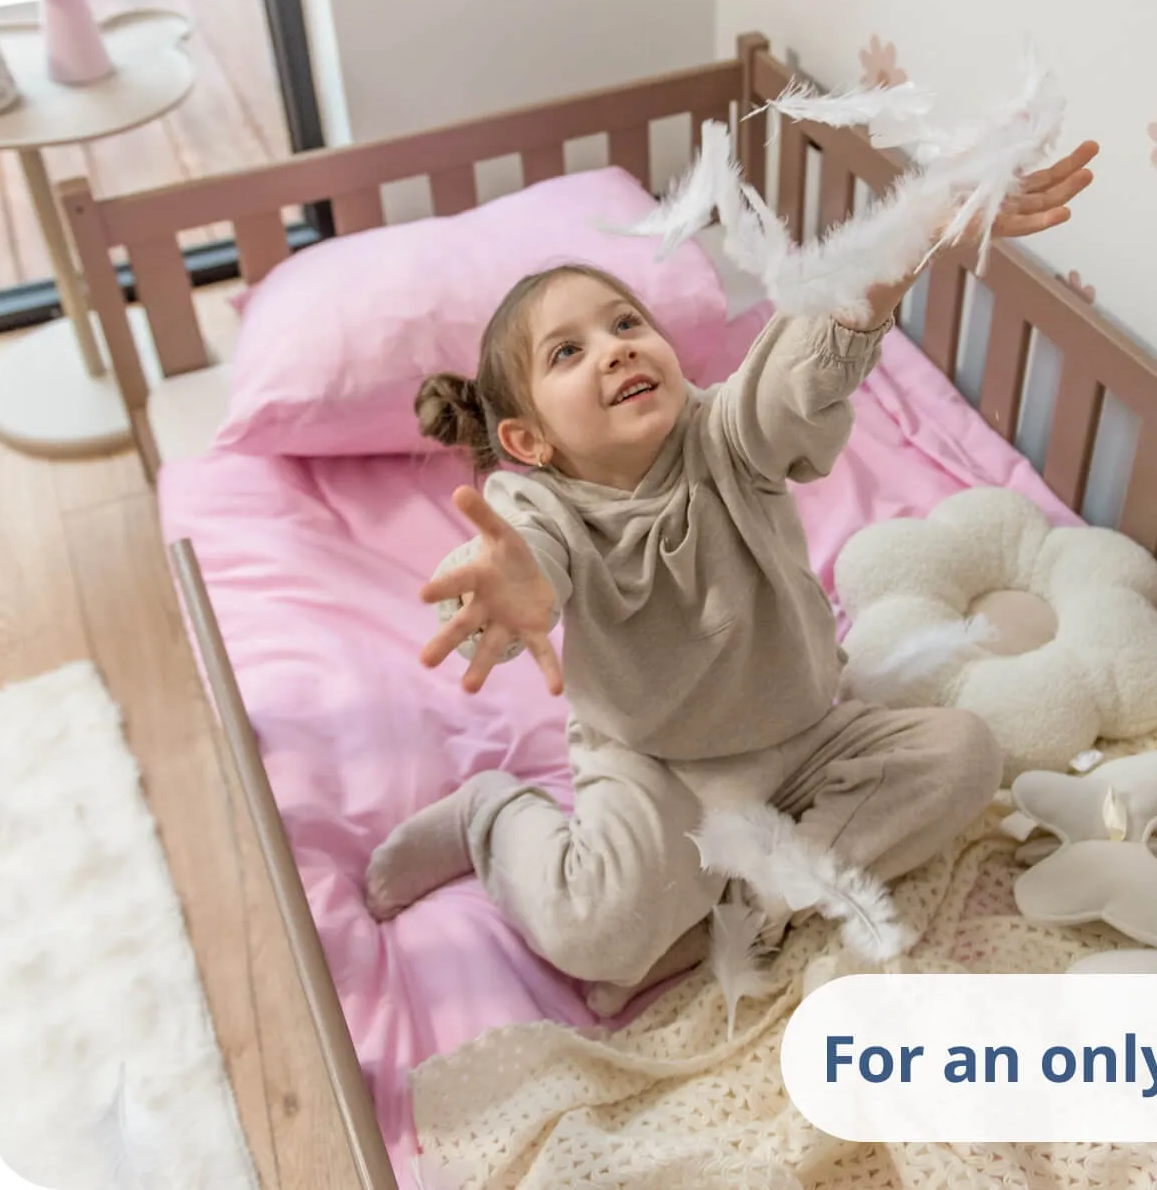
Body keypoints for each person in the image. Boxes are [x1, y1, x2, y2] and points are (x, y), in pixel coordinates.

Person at [364, 142, 1098, 1011]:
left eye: (627, 324)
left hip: (807, 733)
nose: (613, 350)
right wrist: (508, 578)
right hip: (658, 765)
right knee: (595, 934)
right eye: (567, 353)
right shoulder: (544, 507)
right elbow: (523, 549)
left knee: (967, 755)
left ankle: (756, 895)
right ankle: (490, 816)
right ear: (528, 443)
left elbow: (803, 364)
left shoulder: (728, 437)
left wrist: (909, 243)